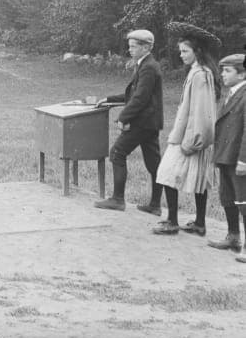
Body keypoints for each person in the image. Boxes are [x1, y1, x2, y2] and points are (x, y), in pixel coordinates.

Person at [152, 23, 220, 236]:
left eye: (185, 51)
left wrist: (194, 140)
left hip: (191, 136)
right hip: (192, 134)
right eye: (180, 51)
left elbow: (202, 111)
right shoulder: (199, 72)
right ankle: (200, 223)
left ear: (197, 51)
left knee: (166, 173)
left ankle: (172, 221)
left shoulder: (200, 74)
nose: (181, 55)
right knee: (199, 179)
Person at [94, 29, 163, 213]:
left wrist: (123, 118)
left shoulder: (148, 67)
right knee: (154, 163)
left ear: (146, 47)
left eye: (134, 46)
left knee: (117, 152)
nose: (130, 50)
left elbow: (140, 98)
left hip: (143, 122)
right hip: (150, 122)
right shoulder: (146, 64)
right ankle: (155, 205)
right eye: (129, 46)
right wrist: (109, 99)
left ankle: (117, 199)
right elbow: (133, 93)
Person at [207, 52, 246, 261]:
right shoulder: (231, 92)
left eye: (227, 70)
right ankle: (233, 236)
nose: (222, 74)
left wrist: (243, 160)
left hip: (238, 157)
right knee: (228, 197)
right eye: (222, 70)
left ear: (242, 74)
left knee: (244, 201)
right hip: (225, 154)